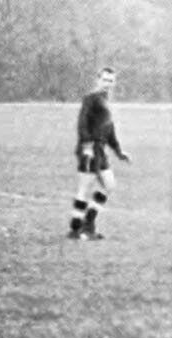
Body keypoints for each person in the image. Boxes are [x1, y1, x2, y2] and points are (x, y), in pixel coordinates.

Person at [68, 67, 130, 240]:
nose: (107, 84)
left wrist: (118, 151)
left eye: (111, 81)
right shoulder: (91, 99)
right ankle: (75, 229)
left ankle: (88, 223)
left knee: (109, 185)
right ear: (98, 80)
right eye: (105, 80)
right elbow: (82, 123)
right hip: (90, 149)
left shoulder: (106, 101)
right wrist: (87, 146)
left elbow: (109, 130)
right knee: (84, 188)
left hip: (100, 151)